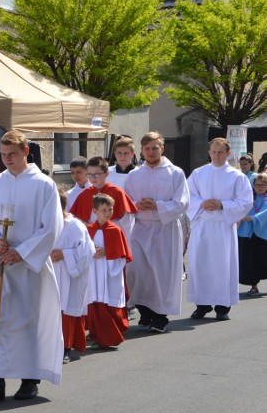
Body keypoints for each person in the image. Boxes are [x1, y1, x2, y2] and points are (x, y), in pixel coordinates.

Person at [0, 130, 64, 404]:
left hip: (28, 268)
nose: (7, 159)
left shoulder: (44, 185)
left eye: (12, 154)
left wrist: (22, 252)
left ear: (26, 152)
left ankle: (29, 380)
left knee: (27, 321)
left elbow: (51, 227)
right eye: (3, 154)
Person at [124, 132, 190, 333]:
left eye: (155, 148)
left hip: (164, 229)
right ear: (141, 151)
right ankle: (145, 310)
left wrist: (157, 206)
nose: (151, 152)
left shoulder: (175, 173)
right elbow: (124, 201)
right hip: (140, 229)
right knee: (137, 272)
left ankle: (160, 317)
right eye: (147, 148)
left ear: (162, 148)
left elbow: (182, 203)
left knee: (162, 275)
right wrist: (137, 205)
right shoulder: (134, 174)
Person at [186, 138, 253, 321]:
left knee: (223, 266)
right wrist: (202, 203)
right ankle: (202, 304)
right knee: (201, 265)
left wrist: (222, 204)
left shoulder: (236, 176)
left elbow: (246, 201)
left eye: (221, 152)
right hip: (202, 225)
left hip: (223, 226)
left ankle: (222, 307)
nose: (216, 155)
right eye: (213, 152)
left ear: (228, 153)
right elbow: (187, 195)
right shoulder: (198, 173)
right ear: (209, 152)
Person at [51, 187, 94, 364]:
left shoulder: (75, 226)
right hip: (49, 274)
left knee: (66, 312)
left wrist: (65, 254)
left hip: (68, 276)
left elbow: (86, 252)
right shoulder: (45, 223)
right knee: (49, 312)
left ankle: (65, 348)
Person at [85, 194, 133, 348]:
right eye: (103, 210)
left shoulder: (115, 230)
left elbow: (122, 255)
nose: (107, 213)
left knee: (108, 300)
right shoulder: (88, 230)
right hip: (93, 272)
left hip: (109, 272)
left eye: (110, 210)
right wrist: (91, 251)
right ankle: (97, 335)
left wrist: (106, 252)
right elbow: (82, 249)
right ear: (95, 211)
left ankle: (110, 337)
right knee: (95, 300)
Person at [69, 156, 138, 241]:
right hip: (91, 238)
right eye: (90, 174)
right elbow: (79, 221)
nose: (93, 178)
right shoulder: (84, 194)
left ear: (106, 174)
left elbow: (127, 221)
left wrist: (110, 232)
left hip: (112, 237)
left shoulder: (117, 192)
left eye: (97, 174)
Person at [238, 173, 267, 296]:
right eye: (256, 185)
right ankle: (254, 285)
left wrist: (253, 218)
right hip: (248, 233)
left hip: (263, 234)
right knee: (250, 260)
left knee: (263, 260)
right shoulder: (249, 198)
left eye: (262, 185)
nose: (259, 187)